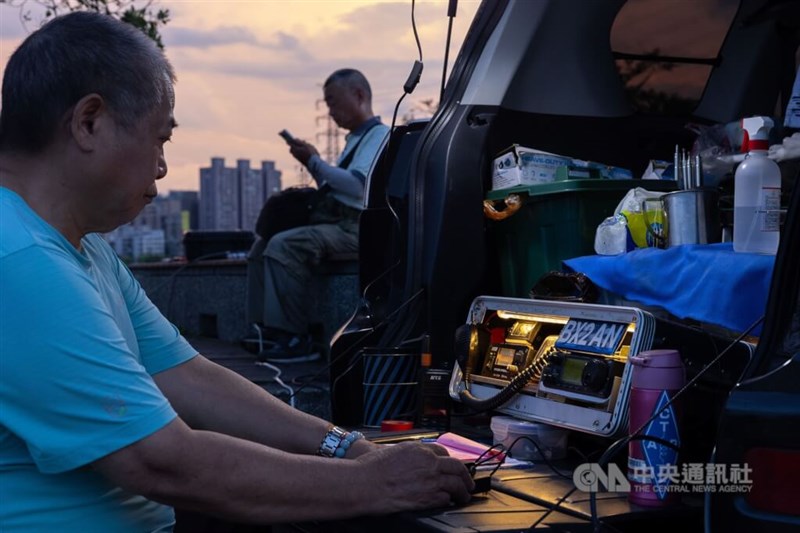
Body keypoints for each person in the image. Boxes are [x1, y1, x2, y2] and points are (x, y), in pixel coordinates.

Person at [0, 12, 473, 532]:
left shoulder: (82, 246)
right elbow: (163, 460)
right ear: (89, 122)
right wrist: (376, 483)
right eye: (160, 140)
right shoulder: (20, 258)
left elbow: (187, 375)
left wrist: (349, 448)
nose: (160, 167)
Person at [246, 68, 389, 363]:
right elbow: (334, 186)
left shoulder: (378, 136)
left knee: (284, 245)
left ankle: (294, 338)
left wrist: (313, 159)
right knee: (261, 246)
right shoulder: (355, 140)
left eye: (333, 102)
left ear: (359, 95)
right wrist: (312, 163)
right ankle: (266, 330)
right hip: (337, 222)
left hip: (355, 227)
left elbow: (357, 186)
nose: (331, 111)